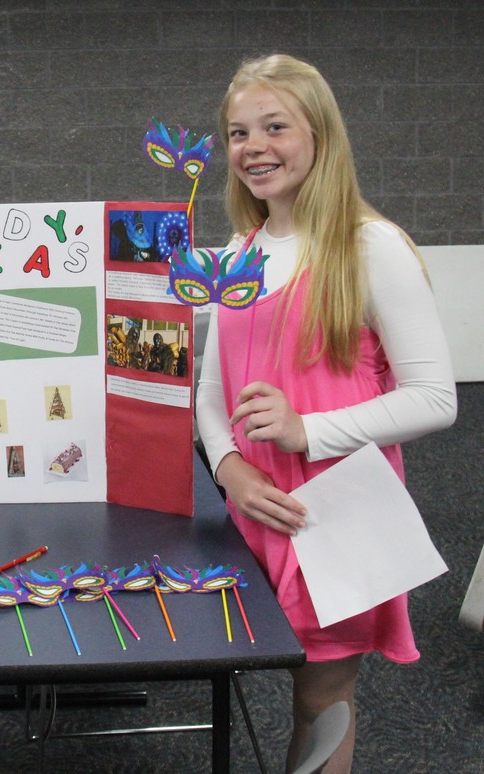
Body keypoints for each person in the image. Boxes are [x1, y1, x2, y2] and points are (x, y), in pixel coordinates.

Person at [196, 54, 457, 773]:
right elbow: (211, 392)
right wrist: (229, 468)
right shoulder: (238, 251)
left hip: (336, 514)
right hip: (256, 506)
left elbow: (437, 398)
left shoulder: (369, 246)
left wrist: (308, 430)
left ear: (321, 136)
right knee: (243, 676)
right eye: (239, 132)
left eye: (276, 126)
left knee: (321, 700)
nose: (255, 147)